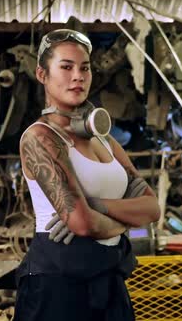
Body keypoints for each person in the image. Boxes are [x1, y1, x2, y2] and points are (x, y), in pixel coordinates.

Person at [15, 29, 160, 321]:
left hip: (108, 276)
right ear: (42, 74)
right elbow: (81, 223)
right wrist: (124, 221)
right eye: (66, 67)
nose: (78, 76)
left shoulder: (105, 141)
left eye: (85, 68)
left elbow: (152, 208)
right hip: (56, 286)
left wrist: (94, 206)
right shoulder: (40, 138)